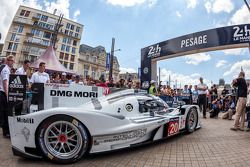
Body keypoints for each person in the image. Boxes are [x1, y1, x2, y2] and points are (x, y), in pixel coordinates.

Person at [0, 55, 15, 138]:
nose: (13, 62)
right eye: (11, 60)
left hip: (3, 93)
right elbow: (5, 82)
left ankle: (6, 131)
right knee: (5, 112)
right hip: (3, 93)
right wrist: (7, 95)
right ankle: (6, 132)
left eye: (13, 61)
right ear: (7, 61)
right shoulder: (6, 70)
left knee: (5, 112)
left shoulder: (7, 69)